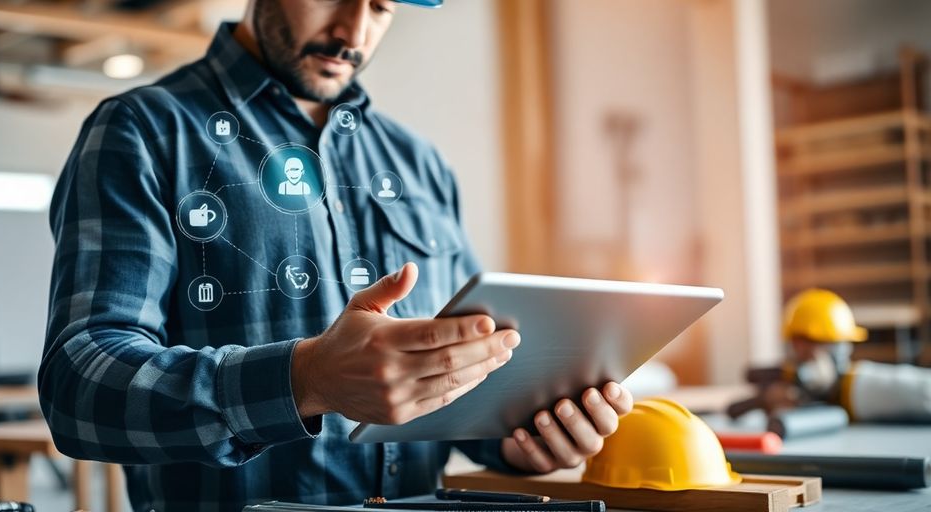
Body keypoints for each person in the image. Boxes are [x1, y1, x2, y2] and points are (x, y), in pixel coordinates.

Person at [39, 0, 634, 510]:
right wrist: (305, 380)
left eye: (380, 6)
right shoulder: (142, 132)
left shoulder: (419, 164)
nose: (353, 33)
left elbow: (454, 384)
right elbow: (77, 387)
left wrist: (520, 438)